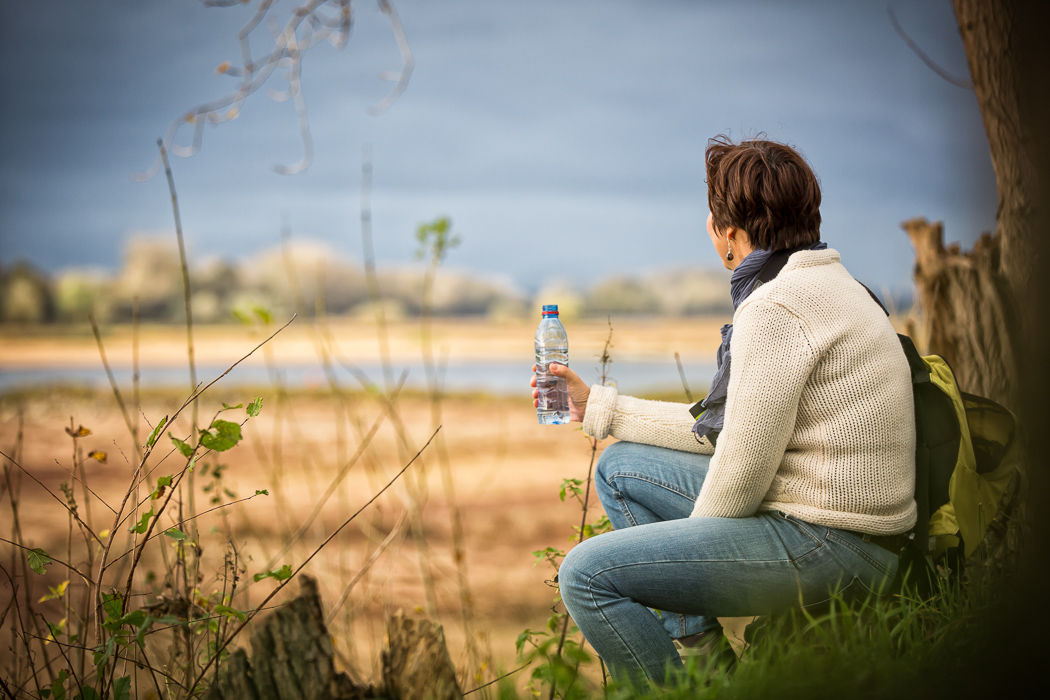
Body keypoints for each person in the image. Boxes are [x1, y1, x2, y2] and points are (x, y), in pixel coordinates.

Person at [530, 135, 917, 686]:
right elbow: (730, 432)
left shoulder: (776, 308)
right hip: (857, 535)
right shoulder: (833, 283)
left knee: (587, 575)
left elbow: (739, 476)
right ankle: (713, 672)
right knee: (620, 468)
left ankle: (678, 694)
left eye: (712, 219)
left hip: (834, 546)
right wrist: (598, 407)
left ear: (729, 234)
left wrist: (686, 566)